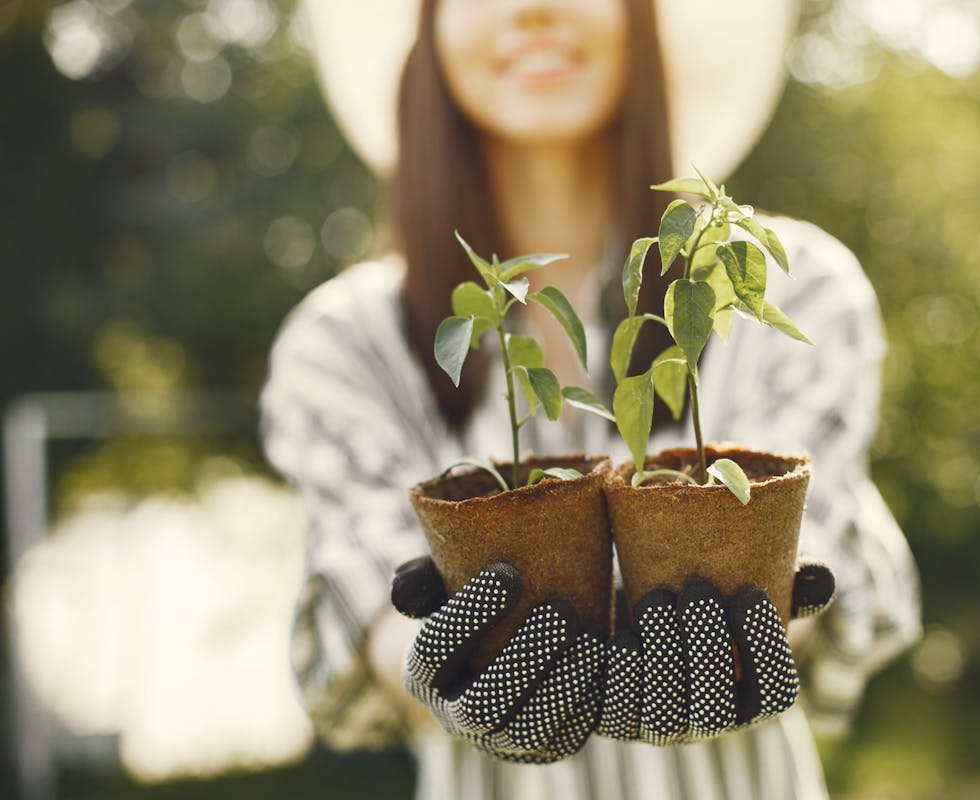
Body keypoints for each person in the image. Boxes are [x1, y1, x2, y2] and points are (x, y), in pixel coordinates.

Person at [260, 0, 922, 797]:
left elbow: (808, 558)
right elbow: (371, 605)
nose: (533, 9)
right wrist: (448, 669)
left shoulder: (791, 291)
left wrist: (769, 624)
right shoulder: (347, 344)